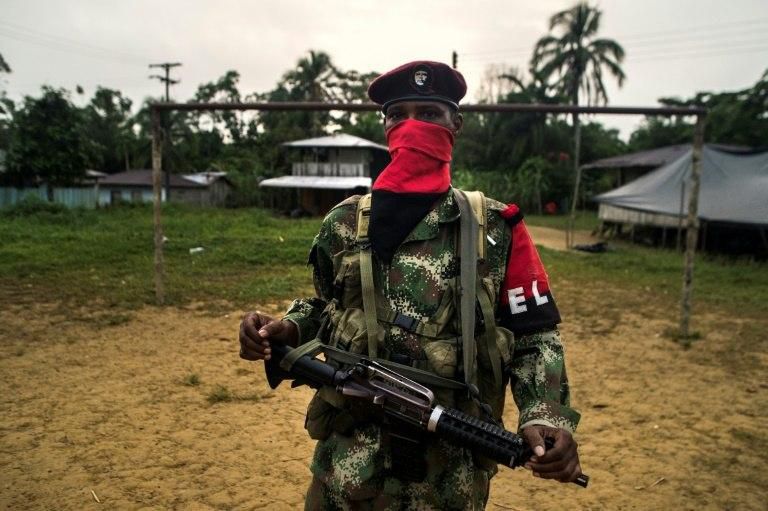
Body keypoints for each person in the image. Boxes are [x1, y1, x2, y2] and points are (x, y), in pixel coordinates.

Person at [240, 60, 583, 510]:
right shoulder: (343, 223)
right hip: (347, 469)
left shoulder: (496, 230)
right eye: (398, 114)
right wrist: (287, 328)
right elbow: (325, 307)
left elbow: (536, 336)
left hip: (448, 478)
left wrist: (546, 415)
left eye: (429, 113)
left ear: (455, 124)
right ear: (385, 126)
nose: (412, 126)